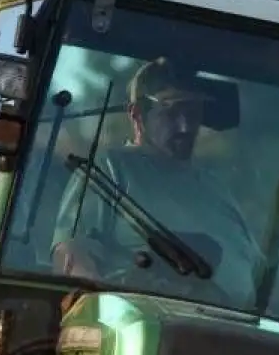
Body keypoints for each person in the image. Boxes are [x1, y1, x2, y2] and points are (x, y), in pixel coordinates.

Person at [48, 58, 267, 306]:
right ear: (137, 114)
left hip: (241, 329)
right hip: (148, 325)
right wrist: (101, 306)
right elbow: (73, 254)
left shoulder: (216, 189)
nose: (186, 126)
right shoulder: (109, 170)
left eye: (193, 112)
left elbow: (258, 269)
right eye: (171, 112)